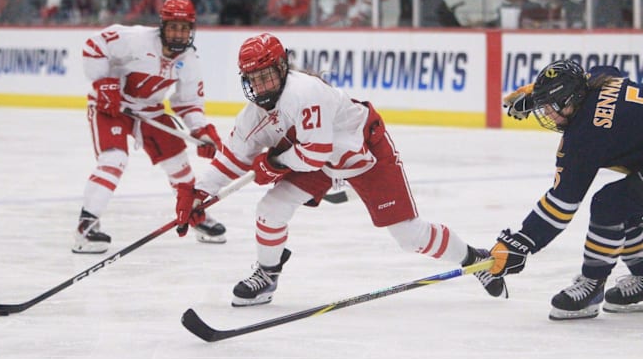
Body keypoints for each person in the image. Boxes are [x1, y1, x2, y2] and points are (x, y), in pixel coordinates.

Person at [175, 32, 507, 307]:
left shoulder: (304, 93)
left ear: (281, 66)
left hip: (362, 152)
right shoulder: (252, 116)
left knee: (410, 237)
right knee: (271, 208)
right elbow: (233, 158)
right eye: (253, 79)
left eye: (266, 76)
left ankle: (474, 259)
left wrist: (273, 164)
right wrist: (199, 192)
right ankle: (267, 274)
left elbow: (314, 155)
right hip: (313, 157)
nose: (261, 86)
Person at [490, 59, 643, 319]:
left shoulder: (587, 136)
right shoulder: (599, 80)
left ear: (572, 98)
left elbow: (562, 205)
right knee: (626, 203)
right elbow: (606, 69)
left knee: (610, 205)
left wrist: (523, 242)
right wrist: (536, 94)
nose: (547, 114)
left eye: (551, 106)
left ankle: (592, 284)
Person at [73, 0, 225, 254]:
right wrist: (104, 82)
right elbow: (94, 45)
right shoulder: (136, 39)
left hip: (149, 110)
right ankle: (86, 226)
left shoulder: (189, 60)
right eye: (173, 27)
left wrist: (199, 130)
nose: (179, 33)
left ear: (192, 29)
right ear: (162, 26)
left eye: (184, 28)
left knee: (179, 163)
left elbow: (188, 102)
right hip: (113, 105)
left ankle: (193, 214)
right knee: (113, 160)